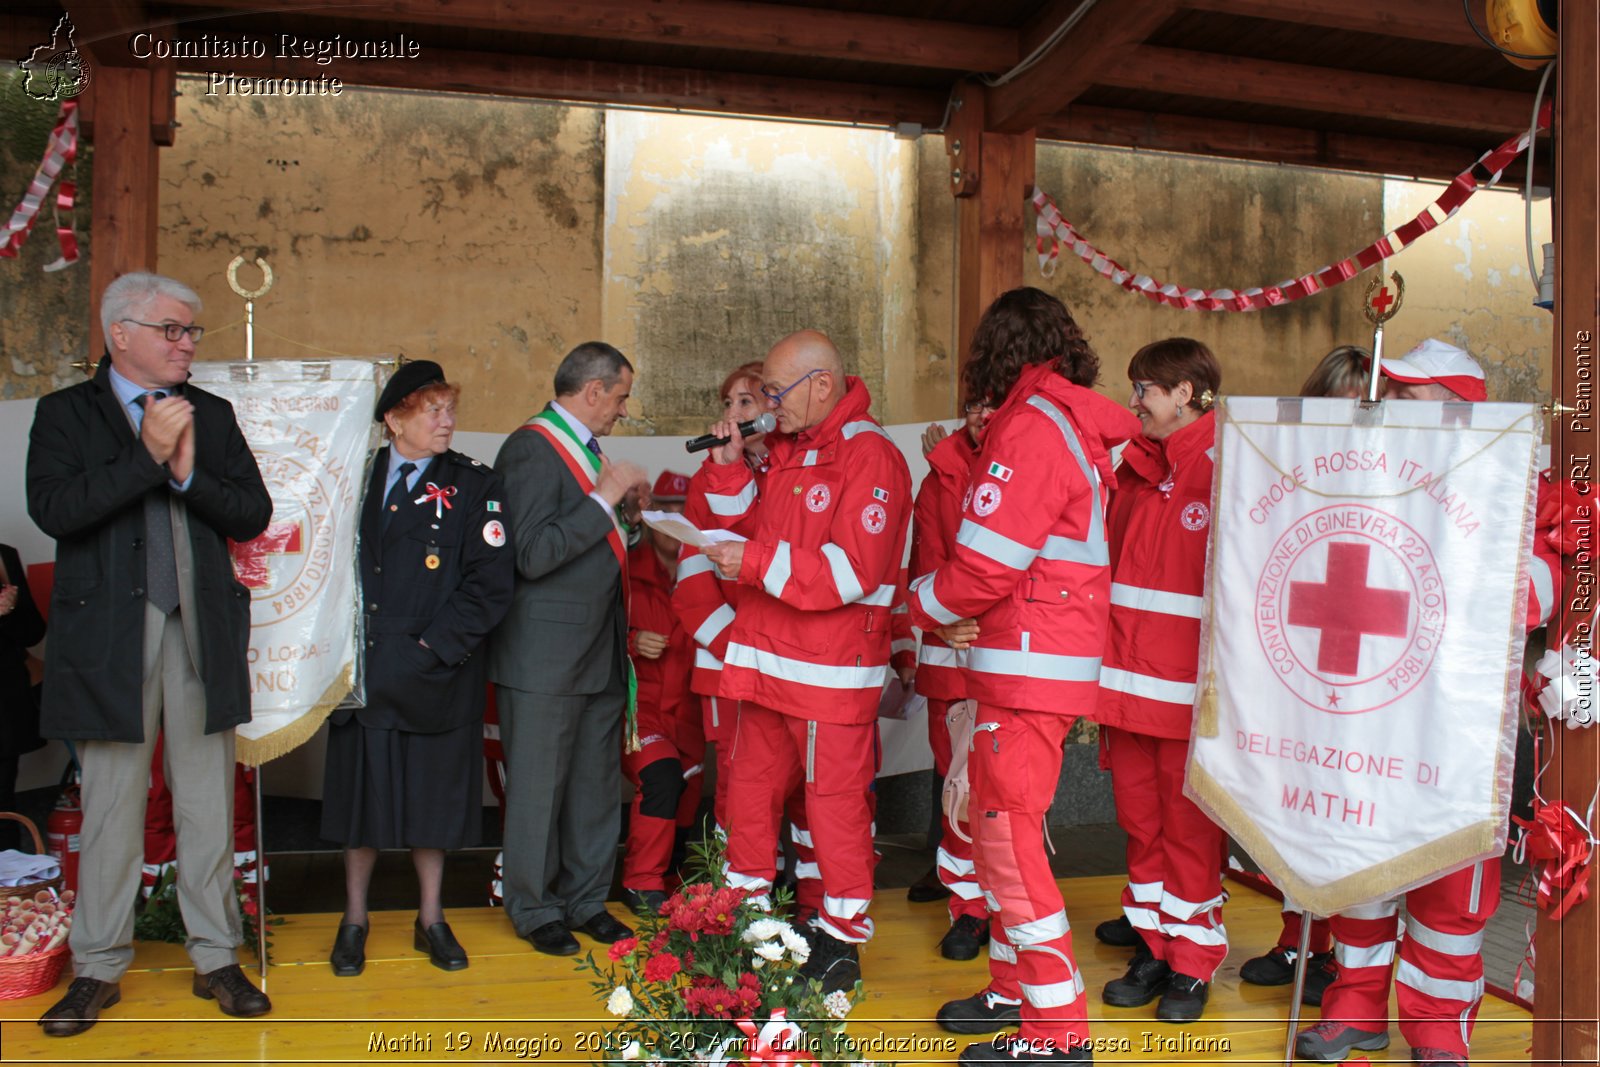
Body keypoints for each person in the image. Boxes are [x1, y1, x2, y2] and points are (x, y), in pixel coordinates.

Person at [1295, 338, 1557, 1066]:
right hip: (1371, 711)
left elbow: (1540, 587)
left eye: (1406, 396)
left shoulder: (1512, 474)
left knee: (1451, 889)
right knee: (1362, 865)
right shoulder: (1370, 467)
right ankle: (1353, 1005)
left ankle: (1438, 1029)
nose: (1389, 407)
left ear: (1452, 400)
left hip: (1461, 723)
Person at [26, 271, 273, 1035]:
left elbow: (252, 510)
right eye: (174, 329)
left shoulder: (215, 415)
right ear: (121, 333)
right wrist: (146, 455)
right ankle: (97, 967)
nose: (188, 343)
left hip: (199, 632)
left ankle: (216, 958)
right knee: (110, 808)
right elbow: (56, 509)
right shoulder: (66, 413)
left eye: (193, 331)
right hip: (108, 641)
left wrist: (190, 468)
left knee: (206, 803)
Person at [909, 287, 1140, 1065]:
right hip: (1030, 663)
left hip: (1027, 668)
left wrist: (918, 605)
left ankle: (1056, 1031)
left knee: (1007, 847)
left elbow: (981, 565)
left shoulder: (1032, 429)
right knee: (995, 835)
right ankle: (1015, 992)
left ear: (996, 352)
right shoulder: (1057, 421)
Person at [700, 330, 910, 993]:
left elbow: (851, 571)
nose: (767, 406)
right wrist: (732, 468)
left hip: (826, 679)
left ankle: (842, 939)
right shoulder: (787, 452)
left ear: (823, 384)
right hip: (765, 666)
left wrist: (755, 561)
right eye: (763, 392)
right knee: (748, 802)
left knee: (835, 812)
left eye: (776, 392)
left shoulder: (871, 456)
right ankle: (749, 925)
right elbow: (742, 538)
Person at [323, 361, 515, 976]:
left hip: (435, 670)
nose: (447, 420)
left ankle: (431, 917)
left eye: (449, 408)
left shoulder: (474, 486)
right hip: (364, 671)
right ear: (393, 419)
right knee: (362, 806)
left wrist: (431, 650)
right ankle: (354, 918)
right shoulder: (352, 476)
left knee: (432, 805)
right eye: (432, 410)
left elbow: (489, 587)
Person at [488, 342, 650, 957]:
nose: (623, 410)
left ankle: (586, 900)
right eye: (621, 396)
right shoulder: (531, 447)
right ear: (593, 391)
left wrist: (627, 518)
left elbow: (589, 538)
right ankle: (533, 908)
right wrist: (604, 500)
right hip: (543, 656)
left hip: (596, 649)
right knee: (537, 790)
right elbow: (530, 554)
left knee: (592, 787)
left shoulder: (586, 451)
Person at [1093, 339, 1227, 1025]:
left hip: (1188, 702)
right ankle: (1153, 947)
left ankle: (1193, 961)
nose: (1135, 399)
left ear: (1187, 392)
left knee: (1189, 834)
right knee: (1141, 829)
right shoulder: (1134, 472)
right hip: (1126, 692)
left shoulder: (1228, 466)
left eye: (1145, 386)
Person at [1239, 343, 1374, 1003]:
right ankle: (1299, 937)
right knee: (1293, 809)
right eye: (1334, 401)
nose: (1345, 413)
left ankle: (1347, 959)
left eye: (1359, 402)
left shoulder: (1392, 475)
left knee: (1346, 817)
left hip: (1362, 673)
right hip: (1295, 663)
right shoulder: (1296, 470)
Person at [909, 398, 992, 960]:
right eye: (973, 403)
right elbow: (925, 561)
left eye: (994, 402)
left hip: (1001, 656)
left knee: (992, 792)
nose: (982, 412)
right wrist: (945, 615)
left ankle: (986, 907)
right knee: (953, 783)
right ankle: (964, 897)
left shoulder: (1021, 463)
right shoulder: (937, 477)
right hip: (948, 656)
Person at [619, 470, 705, 914]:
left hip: (692, 715)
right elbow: (586, 635)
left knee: (686, 800)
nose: (676, 521)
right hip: (639, 713)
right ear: (651, 519)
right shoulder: (625, 570)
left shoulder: (709, 574)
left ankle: (668, 878)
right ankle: (640, 881)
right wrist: (631, 641)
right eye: (667, 512)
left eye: (685, 512)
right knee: (661, 779)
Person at [0, 544, 47, 851]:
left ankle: (9, 892)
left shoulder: (5, 555)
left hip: (5, 700)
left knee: (4, 797)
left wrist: (10, 610)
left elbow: (33, 633)